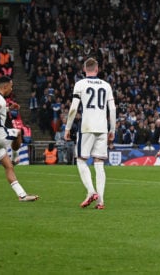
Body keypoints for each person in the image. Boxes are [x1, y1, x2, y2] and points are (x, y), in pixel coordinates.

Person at [63, 57, 116, 210]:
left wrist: (68, 128)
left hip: (86, 126)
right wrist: (112, 130)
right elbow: (112, 109)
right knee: (99, 164)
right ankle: (101, 202)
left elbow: (73, 108)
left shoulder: (80, 84)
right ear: (97, 69)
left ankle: (91, 191)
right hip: (102, 127)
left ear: (85, 70)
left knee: (81, 160)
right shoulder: (106, 85)